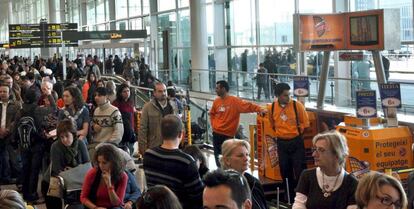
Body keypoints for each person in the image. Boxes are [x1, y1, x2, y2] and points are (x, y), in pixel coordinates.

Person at [143, 114, 204, 209]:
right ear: (181, 134)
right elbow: (198, 197)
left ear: (161, 133)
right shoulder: (186, 161)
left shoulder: (148, 154)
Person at [293, 131, 358, 209]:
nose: (314, 154)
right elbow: (298, 205)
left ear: (337, 155)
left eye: (321, 150)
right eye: (314, 149)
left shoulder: (352, 183)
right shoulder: (307, 176)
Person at [268, 82, 309, 203]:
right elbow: (272, 124)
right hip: (281, 143)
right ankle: (289, 198)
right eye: (285, 95)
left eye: (289, 95)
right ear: (278, 95)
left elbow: (305, 124)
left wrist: (296, 135)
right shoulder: (272, 108)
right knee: (285, 171)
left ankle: (303, 198)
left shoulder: (297, 106)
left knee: (300, 171)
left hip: (296, 142)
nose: (288, 97)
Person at [210, 80, 266, 166]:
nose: (215, 90)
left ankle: (228, 176)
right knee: (218, 159)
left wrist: (260, 109)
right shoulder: (216, 101)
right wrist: (214, 125)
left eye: (217, 88)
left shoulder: (234, 101)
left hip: (228, 136)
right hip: (216, 134)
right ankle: (220, 175)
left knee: (228, 159)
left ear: (223, 89)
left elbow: (248, 106)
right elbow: (212, 114)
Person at [42, 119, 90, 209]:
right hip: (53, 184)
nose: (64, 140)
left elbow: (87, 167)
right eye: (61, 137)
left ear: (73, 134)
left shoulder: (80, 144)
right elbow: (58, 171)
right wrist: (78, 169)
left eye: (67, 136)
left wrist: (71, 171)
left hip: (75, 185)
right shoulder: (55, 146)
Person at [221, 139, 268, 209]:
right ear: (227, 160)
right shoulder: (220, 187)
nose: (246, 158)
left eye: (247, 154)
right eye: (240, 156)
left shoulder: (254, 183)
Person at [80, 143, 128, 209]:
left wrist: (109, 186)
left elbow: (117, 203)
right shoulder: (92, 173)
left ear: (113, 162)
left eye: (104, 163)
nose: (101, 166)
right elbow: (83, 198)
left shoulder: (122, 176)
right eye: (99, 162)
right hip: (94, 206)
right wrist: (95, 208)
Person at [138, 82, 179, 155]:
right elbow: (142, 129)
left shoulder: (173, 106)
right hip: (154, 147)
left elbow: (178, 125)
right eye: (160, 91)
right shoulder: (147, 107)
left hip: (171, 146)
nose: (163, 93)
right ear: (154, 93)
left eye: (164, 91)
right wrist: (143, 150)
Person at [112, 83, 136, 155]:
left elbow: (132, 117)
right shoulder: (116, 103)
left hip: (130, 131)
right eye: (124, 91)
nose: (127, 93)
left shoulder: (131, 102)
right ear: (120, 93)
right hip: (121, 133)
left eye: (128, 91)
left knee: (130, 153)